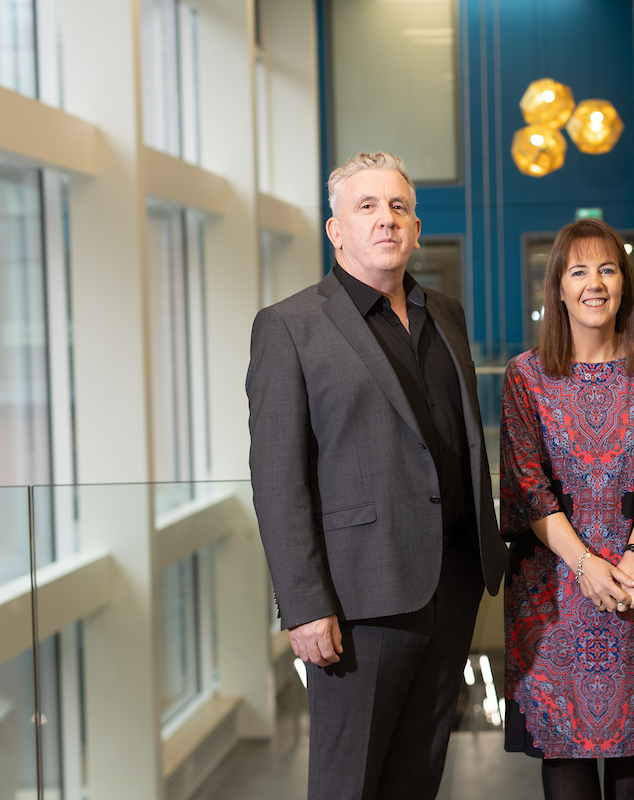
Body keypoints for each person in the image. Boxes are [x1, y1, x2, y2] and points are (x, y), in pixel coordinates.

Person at [246, 151, 507, 800]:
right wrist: (304, 605)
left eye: (398, 207)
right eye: (367, 207)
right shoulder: (290, 326)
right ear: (336, 231)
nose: (386, 220)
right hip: (359, 599)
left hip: (452, 583)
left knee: (417, 778)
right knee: (349, 784)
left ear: (416, 227)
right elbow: (277, 479)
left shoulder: (444, 314)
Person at [500, 218, 634, 800]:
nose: (595, 283)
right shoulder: (525, 377)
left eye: (607, 269)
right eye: (578, 270)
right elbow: (527, 487)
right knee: (566, 770)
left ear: (625, 283)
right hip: (554, 596)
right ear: (557, 287)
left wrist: (633, 560)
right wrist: (587, 566)